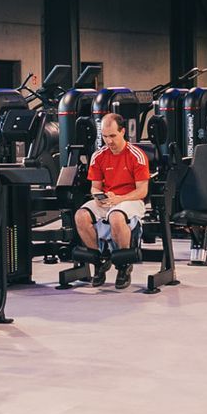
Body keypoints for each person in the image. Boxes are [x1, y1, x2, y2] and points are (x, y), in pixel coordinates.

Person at [75, 113, 150, 290]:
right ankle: (99, 261)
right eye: (105, 136)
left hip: (131, 199)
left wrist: (120, 199)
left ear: (123, 132)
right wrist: (97, 197)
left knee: (116, 217)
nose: (108, 141)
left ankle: (123, 266)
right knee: (81, 215)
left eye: (113, 136)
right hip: (108, 200)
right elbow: (95, 187)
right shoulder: (98, 156)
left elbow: (142, 191)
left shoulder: (136, 155)